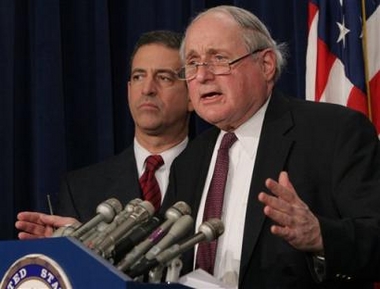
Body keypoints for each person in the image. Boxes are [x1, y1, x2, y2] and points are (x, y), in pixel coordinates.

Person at [163, 5, 380, 289]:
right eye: (192, 63)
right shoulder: (189, 161)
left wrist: (320, 236)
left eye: (219, 59)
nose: (202, 76)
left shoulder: (335, 133)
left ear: (265, 65)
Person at [16, 30, 193, 239]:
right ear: (128, 90)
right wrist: (72, 253)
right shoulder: (80, 188)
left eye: (163, 78)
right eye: (138, 77)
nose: (147, 89)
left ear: (192, 95)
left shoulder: (215, 173)